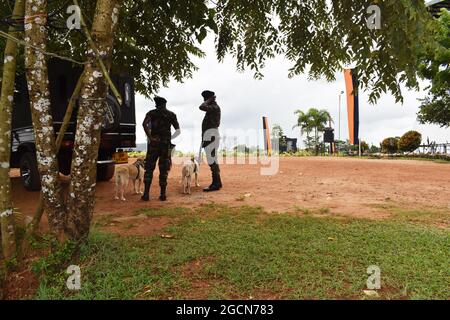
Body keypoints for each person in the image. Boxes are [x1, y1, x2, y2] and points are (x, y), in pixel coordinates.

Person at [141, 96, 180, 201]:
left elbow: (144, 124)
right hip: (165, 145)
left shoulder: (151, 113)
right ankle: (163, 195)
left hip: (153, 144)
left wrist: (150, 137)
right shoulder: (171, 115)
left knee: (149, 168)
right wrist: (169, 138)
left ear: (156, 104)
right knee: (164, 169)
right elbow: (178, 130)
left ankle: (146, 194)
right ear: (165, 104)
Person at [199, 90, 222, 192]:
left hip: (211, 137)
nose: (204, 101)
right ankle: (218, 182)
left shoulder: (214, 107)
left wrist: (208, 101)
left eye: (205, 99)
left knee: (212, 160)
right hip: (209, 137)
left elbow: (201, 107)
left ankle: (216, 183)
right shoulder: (212, 108)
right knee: (212, 160)